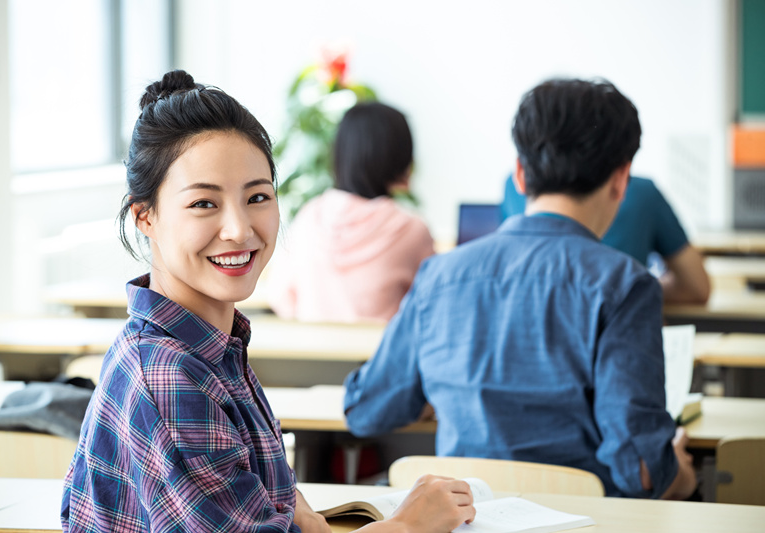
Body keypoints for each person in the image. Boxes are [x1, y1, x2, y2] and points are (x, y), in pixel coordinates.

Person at [60, 70, 476, 533]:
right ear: (146, 216)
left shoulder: (210, 346)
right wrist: (410, 525)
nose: (239, 229)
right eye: (203, 203)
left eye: (257, 196)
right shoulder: (169, 376)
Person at [344, 78, 698, 500]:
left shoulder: (440, 275)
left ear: (520, 174)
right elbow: (639, 469)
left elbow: (365, 409)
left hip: (467, 521)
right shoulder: (625, 284)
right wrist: (684, 475)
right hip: (583, 524)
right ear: (621, 179)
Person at [267, 102, 434, 323]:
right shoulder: (410, 229)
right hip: (381, 355)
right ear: (400, 157)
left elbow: (281, 298)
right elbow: (433, 304)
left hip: (311, 353)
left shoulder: (309, 215)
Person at [501, 174, 711, 305]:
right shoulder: (642, 194)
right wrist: (637, 290)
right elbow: (696, 287)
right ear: (620, 177)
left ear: (520, 172)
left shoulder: (512, 189)